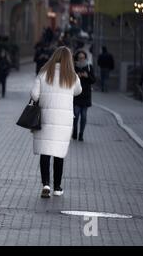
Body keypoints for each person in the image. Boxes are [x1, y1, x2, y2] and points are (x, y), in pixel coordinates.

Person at [31, 46, 82, 198]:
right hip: (64, 121)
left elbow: (34, 95)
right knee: (59, 154)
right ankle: (57, 187)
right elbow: (78, 91)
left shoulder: (43, 73)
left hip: (45, 119)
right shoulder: (72, 76)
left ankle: (45, 183)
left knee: (45, 152)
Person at [72, 51, 96, 142]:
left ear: (85, 58)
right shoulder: (74, 68)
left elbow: (93, 80)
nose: (81, 59)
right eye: (79, 58)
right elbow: (69, 80)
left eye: (83, 58)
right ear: (77, 58)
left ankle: (81, 134)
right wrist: (76, 77)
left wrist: (87, 76)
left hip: (86, 95)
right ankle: (74, 132)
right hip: (76, 95)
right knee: (76, 115)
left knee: (84, 116)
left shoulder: (89, 67)